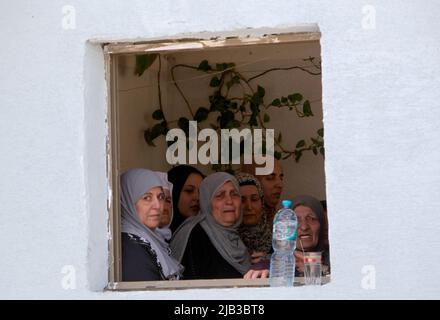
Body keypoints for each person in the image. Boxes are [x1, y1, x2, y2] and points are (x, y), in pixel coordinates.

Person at [170, 172, 269, 280]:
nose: (229, 201)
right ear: (207, 202)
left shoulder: (234, 237)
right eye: (220, 196)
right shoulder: (195, 236)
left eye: (234, 194)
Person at [120, 168, 184, 281]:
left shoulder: (150, 239)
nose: (158, 205)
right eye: (147, 198)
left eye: (160, 197)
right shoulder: (132, 246)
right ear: (128, 201)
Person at [235, 172, 272, 267]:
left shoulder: (277, 240)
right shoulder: (226, 241)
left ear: (262, 202)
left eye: (254, 199)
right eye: (242, 200)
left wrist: (270, 259)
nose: (249, 207)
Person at [291, 195, 330, 276]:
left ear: (322, 224)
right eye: (296, 220)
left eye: (311, 219)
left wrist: (317, 268)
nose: (304, 227)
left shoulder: (337, 258)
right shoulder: (279, 262)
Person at [241, 156, 284, 228]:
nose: (280, 185)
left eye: (281, 178)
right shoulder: (233, 232)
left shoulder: (280, 223)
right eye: (270, 178)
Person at [167, 165, 204, 233]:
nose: (197, 197)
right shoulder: (157, 234)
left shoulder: (206, 231)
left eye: (201, 191)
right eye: (189, 191)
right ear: (173, 192)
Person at [155, 171, 173, 242]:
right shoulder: (138, 239)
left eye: (168, 200)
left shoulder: (166, 238)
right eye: (159, 199)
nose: (164, 206)